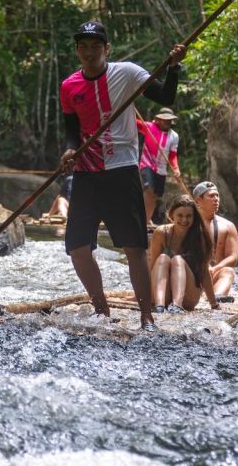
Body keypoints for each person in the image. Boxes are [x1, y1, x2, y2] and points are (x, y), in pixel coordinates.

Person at [59, 20, 187, 332]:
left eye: (95, 46)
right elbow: (71, 133)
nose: (89, 52)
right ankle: (101, 310)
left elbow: (165, 97)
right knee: (77, 247)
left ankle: (147, 317)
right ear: (77, 50)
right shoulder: (69, 87)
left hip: (122, 170)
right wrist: (69, 152)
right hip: (87, 173)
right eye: (83, 47)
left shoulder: (127, 72)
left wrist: (173, 67)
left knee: (133, 247)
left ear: (106, 49)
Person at [148, 194, 219, 313]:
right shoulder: (161, 233)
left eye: (188, 216)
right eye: (180, 215)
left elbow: (204, 271)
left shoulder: (199, 236)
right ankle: (159, 307)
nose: (184, 220)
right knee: (162, 258)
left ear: (194, 217)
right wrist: (146, 295)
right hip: (163, 293)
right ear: (171, 216)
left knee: (177, 260)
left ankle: (177, 306)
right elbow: (153, 267)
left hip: (188, 294)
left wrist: (214, 304)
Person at [193, 181, 238, 302]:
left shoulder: (228, 226)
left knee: (228, 271)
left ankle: (216, 297)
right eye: (211, 196)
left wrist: (214, 269)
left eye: (217, 195)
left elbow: (233, 257)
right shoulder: (188, 224)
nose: (216, 199)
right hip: (192, 274)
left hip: (214, 273)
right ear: (198, 201)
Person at [138, 107, 180, 226]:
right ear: (158, 120)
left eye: (169, 120)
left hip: (161, 170)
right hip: (147, 164)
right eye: (164, 120)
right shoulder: (149, 127)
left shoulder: (174, 136)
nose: (166, 122)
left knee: (155, 195)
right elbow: (133, 122)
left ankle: (147, 218)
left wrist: (176, 169)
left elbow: (172, 155)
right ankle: (144, 221)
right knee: (149, 190)